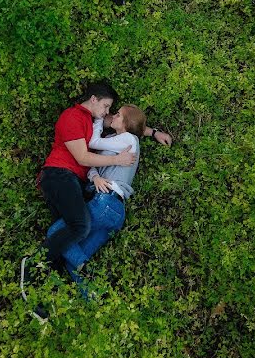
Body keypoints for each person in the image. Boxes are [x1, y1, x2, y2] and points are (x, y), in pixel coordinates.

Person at [20, 81, 172, 323]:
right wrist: (99, 171)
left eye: (113, 111)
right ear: (93, 100)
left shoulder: (117, 135)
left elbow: (129, 129)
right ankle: (86, 291)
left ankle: (44, 275)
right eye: (106, 107)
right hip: (71, 181)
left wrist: (152, 132)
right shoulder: (73, 116)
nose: (108, 113)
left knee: (62, 236)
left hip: (98, 197)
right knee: (74, 239)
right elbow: (84, 155)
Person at [43, 104, 147, 300]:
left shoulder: (129, 139)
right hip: (114, 211)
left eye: (118, 114)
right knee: (72, 258)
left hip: (105, 203)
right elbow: (92, 163)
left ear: (127, 122)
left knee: (56, 232)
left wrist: (98, 119)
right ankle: (97, 299)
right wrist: (95, 178)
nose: (113, 116)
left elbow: (93, 141)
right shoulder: (112, 141)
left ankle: (91, 275)